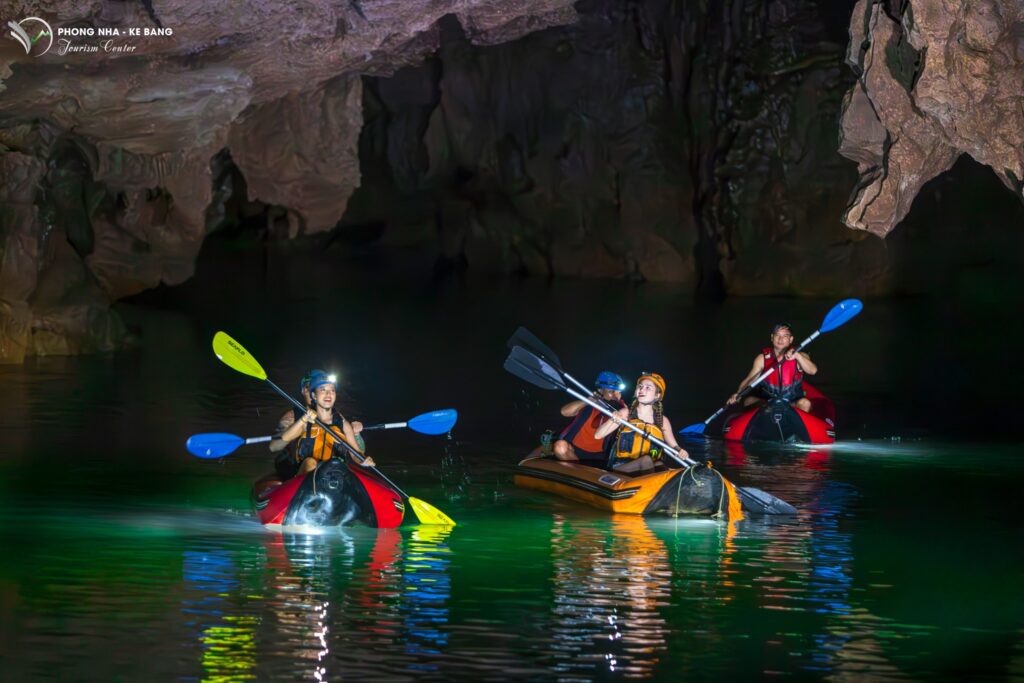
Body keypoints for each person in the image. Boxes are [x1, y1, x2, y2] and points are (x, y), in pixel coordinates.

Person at [275, 371, 374, 480]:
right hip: (306, 477)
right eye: (323, 390)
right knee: (310, 462)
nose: (328, 394)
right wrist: (302, 420)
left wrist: (364, 461)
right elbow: (283, 439)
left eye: (332, 390)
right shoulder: (305, 419)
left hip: (335, 474)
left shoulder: (342, 423)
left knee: (339, 465)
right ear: (314, 396)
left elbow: (356, 453)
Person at [594, 373, 685, 475]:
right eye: (640, 387)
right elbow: (598, 435)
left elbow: (674, 446)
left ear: (657, 395)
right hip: (621, 467)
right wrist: (613, 419)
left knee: (658, 463)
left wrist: (680, 450)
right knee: (646, 460)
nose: (642, 390)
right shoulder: (626, 413)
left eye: (648, 388)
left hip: (648, 466)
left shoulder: (662, 421)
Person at [726, 323, 818, 412]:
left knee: (805, 403)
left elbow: (813, 371)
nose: (780, 339)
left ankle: (796, 425)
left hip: (792, 402)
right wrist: (738, 394)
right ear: (772, 337)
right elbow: (750, 379)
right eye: (777, 335)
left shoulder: (800, 355)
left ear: (791, 339)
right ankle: (766, 417)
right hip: (768, 402)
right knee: (748, 401)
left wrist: (798, 356)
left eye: (785, 336)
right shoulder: (762, 358)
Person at [552, 371, 627, 466]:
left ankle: (580, 471)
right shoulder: (590, 402)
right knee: (560, 446)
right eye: (611, 392)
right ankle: (581, 471)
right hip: (574, 450)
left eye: (619, 392)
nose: (616, 396)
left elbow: (627, 417)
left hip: (598, 456)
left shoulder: (620, 408)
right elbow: (564, 412)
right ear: (601, 390)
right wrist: (588, 400)